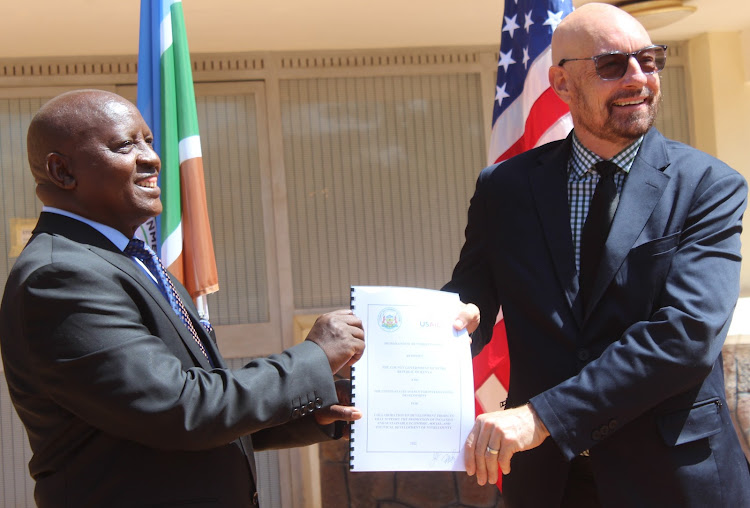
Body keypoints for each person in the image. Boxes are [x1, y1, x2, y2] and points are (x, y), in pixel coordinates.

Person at [444, 3, 750, 507]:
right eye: (612, 65)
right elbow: (470, 296)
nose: (638, 78)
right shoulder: (506, 189)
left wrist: (543, 417)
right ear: (562, 85)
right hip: (548, 485)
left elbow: (686, 335)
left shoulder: (709, 186)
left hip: (674, 480)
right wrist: (417, 336)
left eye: (649, 61)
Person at [0, 89, 365, 507]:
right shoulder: (61, 276)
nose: (152, 158)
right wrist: (313, 358)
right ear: (62, 171)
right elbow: (177, 409)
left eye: (148, 142)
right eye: (125, 145)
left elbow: (186, 410)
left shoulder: (129, 261)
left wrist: (310, 410)